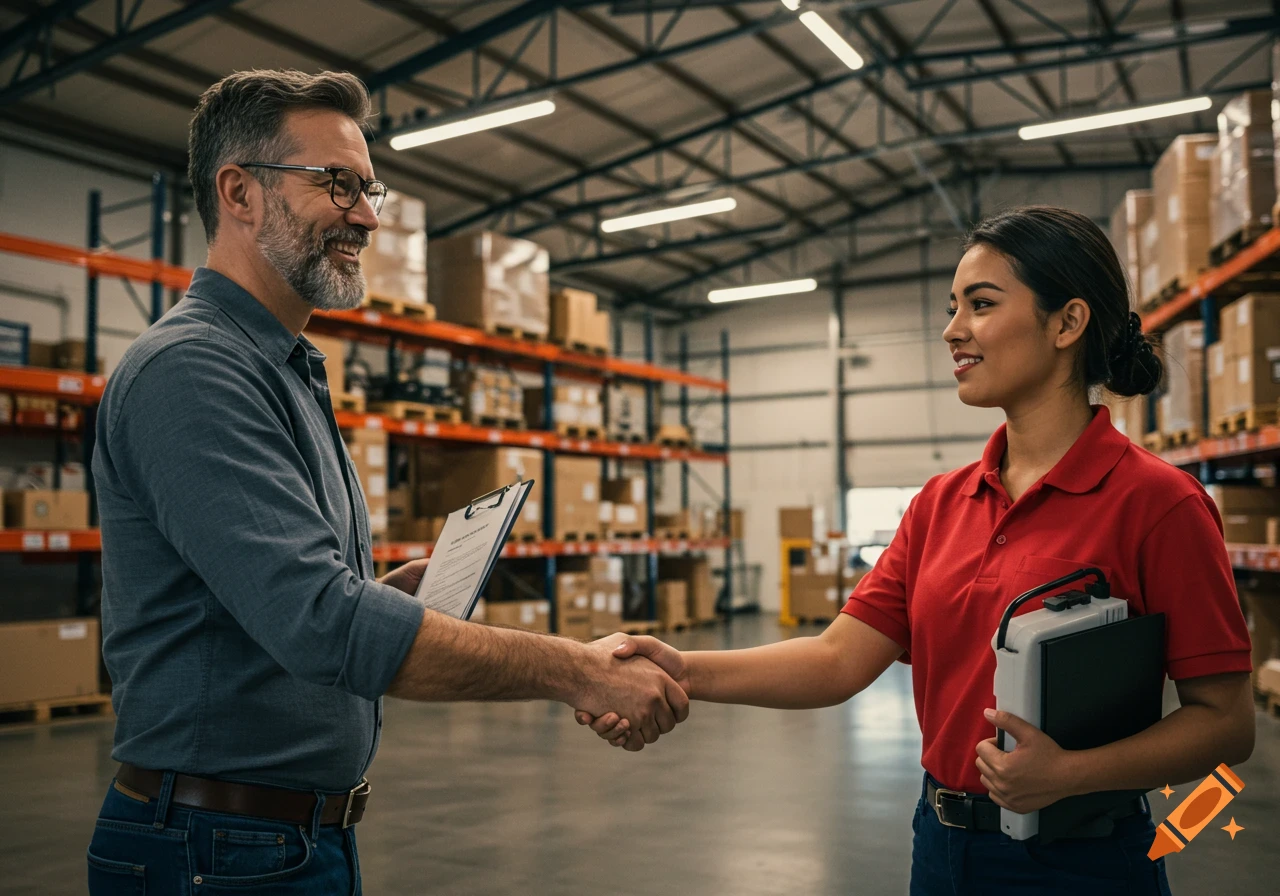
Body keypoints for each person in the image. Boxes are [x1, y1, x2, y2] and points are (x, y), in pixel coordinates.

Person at [86, 69, 686, 895]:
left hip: (277, 839)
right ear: (240, 192)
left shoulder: (287, 369)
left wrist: (379, 594)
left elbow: (280, 601)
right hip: (213, 849)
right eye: (338, 185)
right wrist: (577, 670)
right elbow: (320, 626)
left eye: (370, 189)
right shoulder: (194, 371)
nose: (367, 216)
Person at [578, 206, 1256, 894]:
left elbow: (1226, 724)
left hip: (1079, 862)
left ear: (1066, 323)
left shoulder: (1157, 504)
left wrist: (1072, 773)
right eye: (953, 306)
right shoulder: (939, 504)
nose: (952, 329)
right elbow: (837, 659)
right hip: (940, 846)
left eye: (981, 304)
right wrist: (677, 667)